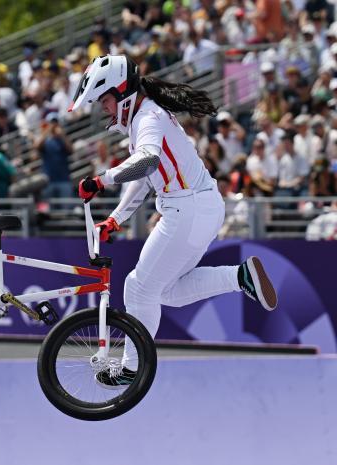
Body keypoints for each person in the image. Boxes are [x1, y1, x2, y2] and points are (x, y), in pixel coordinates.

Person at [69, 54, 278, 387]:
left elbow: (147, 163)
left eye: (105, 100)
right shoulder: (145, 116)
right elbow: (144, 177)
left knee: (138, 288)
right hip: (201, 208)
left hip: (188, 210)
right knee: (166, 292)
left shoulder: (147, 119)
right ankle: (240, 277)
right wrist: (115, 219)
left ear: (122, 91)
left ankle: (132, 368)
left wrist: (102, 179)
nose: (103, 109)